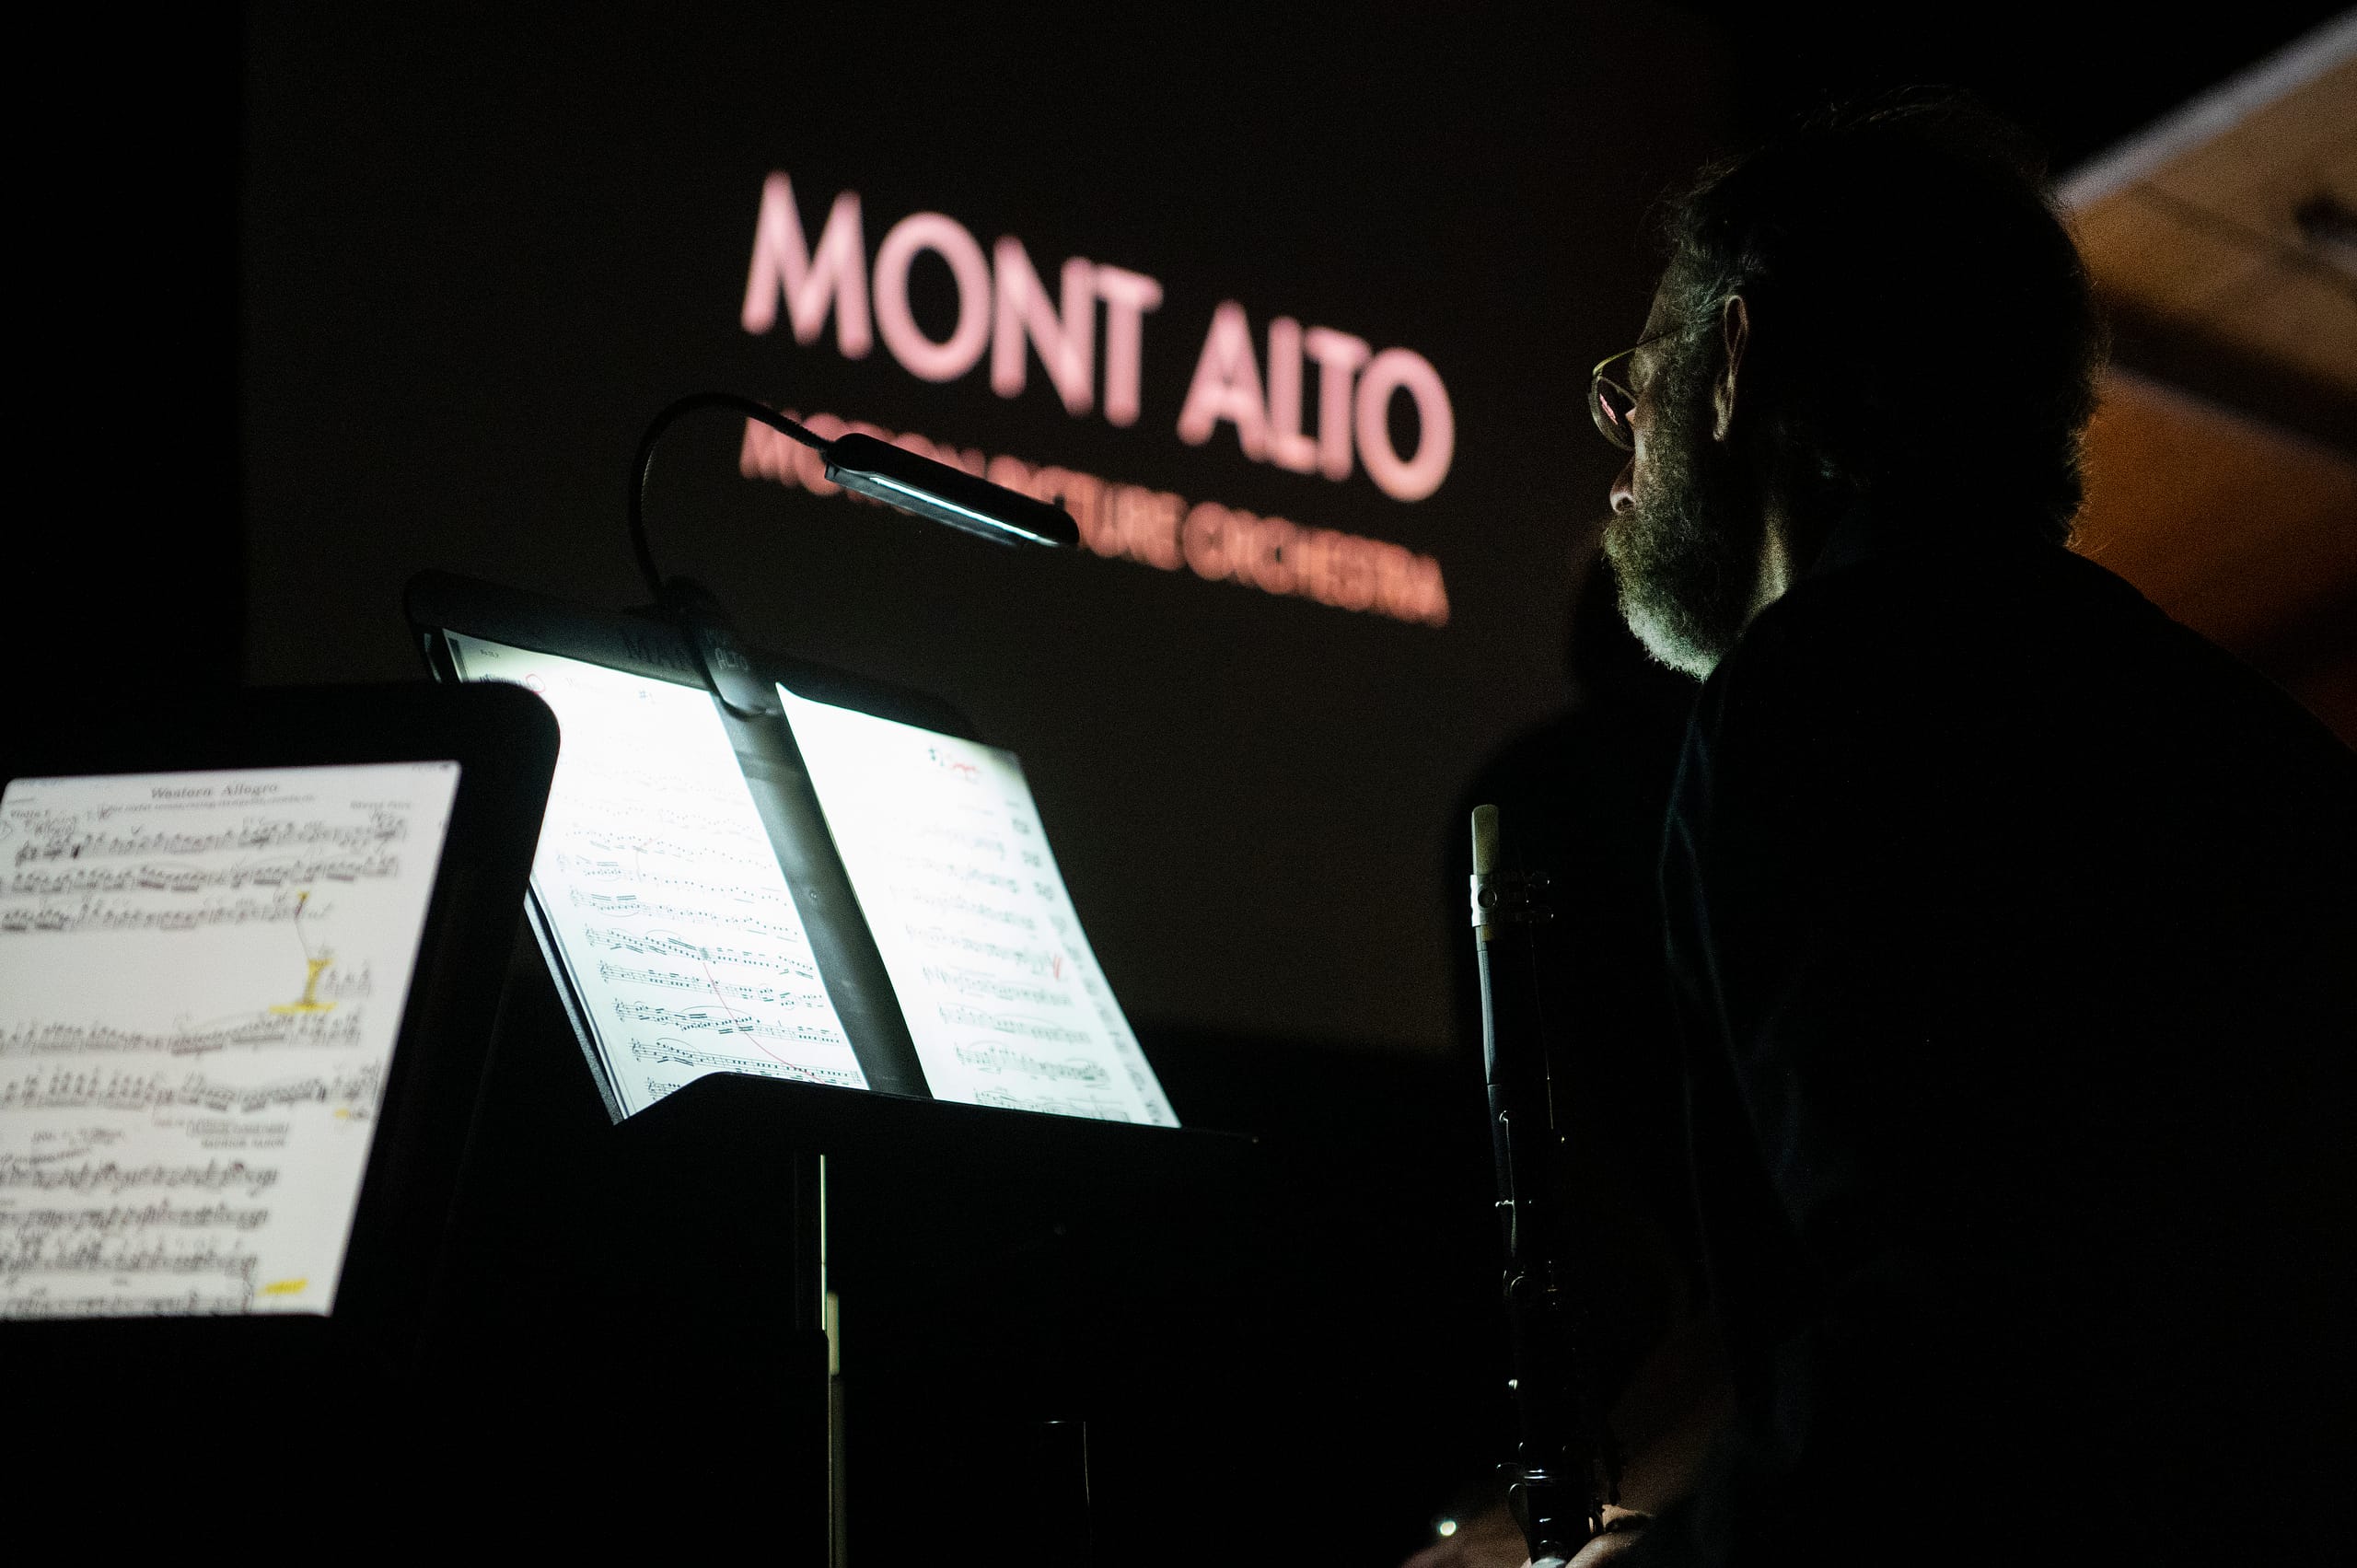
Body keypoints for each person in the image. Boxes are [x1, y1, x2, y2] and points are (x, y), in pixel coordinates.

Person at [1566, 97, 2356, 1564]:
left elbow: (1941, 1353)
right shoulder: (2217, 718)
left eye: (1640, 383)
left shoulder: (1817, 699)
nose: (1622, 443)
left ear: (1735, 363)